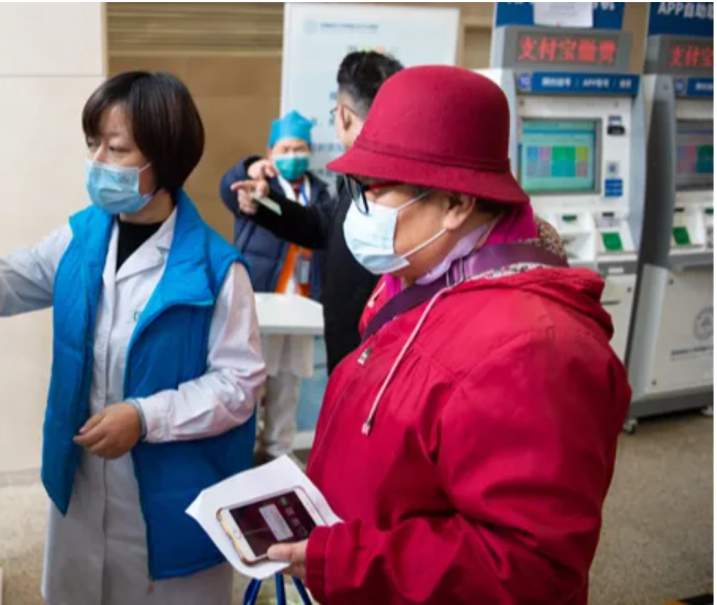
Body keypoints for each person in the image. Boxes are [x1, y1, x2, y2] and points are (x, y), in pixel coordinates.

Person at [0, 71, 266, 605]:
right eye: (92, 144)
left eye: (115, 149)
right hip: (85, 479)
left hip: (167, 493)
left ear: (164, 159)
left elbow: (239, 383)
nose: (96, 162)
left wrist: (144, 416)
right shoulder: (79, 238)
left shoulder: (216, 271)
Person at [265, 66, 631, 603]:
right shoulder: (420, 277)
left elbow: (526, 568)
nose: (358, 210)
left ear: (457, 204)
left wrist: (344, 559)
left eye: (374, 190)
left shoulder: (532, 350)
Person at [226, 51, 403, 375]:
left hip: (370, 352)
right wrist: (264, 206)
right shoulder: (364, 177)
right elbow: (322, 224)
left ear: (344, 116)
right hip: (367, 349)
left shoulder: (375, 179)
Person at [218, 110, 328, 463]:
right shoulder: (259, 187)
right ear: (270, 152)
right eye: (285, 148)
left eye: (299, 148)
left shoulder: (322, 192)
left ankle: (277, 452)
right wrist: (248, 168)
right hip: (259, 304)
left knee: (288, 383)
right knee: (249, 381)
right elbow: (228, 186)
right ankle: (240, 452)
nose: (293, 155)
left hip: (301, 305)